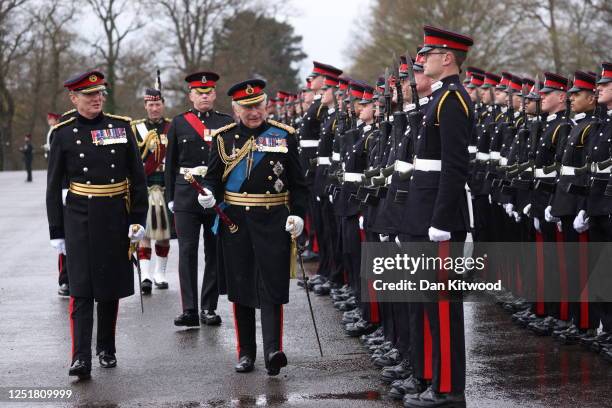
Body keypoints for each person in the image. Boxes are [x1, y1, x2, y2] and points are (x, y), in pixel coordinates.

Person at [199, 79, 308, 376]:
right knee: (241, 286)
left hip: (274, 219)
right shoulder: (223, 138)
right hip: (237, 222)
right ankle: (246, 352)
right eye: (247, 108)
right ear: (235, 109)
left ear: (266, 105)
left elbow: (299, 183)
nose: (253, 112)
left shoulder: (284, 136)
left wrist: (298, 214)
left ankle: (273, 349)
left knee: (272, 286)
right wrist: (208, 196)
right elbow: (212, 179)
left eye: (257, 106)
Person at [46, 70, 148, 380]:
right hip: (79, 215)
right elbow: (52, 187)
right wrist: (57, 232)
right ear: (74, 98)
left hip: (115, 214)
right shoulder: (63, 134)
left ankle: (106, 347)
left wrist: (138, 220)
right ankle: (80, 357)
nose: (96, 99)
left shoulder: (120, 127)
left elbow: (138, 179)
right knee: (81, 288)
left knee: (109, 286)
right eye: (89, 96)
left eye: (99, 94)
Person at [402, 25, 474, 408]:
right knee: (430, 303)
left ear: (448, 58)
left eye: (429, 53)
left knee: (443, 305)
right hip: (424, 213)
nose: (423, 59)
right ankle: (434, 378)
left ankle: (448, 389)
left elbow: (455, 167)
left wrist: (443, 220)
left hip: (439, 219)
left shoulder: (453, 101)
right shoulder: (438, 100)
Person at [164, 71, 234, 327]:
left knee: (214, 251)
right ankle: (189, 309)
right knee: (187, 251)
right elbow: (170, 164)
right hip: (186, 195)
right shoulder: (179, 123)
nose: (204, 96)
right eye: (199, 93)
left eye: (208, 92)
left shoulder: (226, 123)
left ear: (214, 94)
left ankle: (209, 307)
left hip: (215, 195)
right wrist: (170, 197)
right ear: (191, 95)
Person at [131, 88, 172, 293]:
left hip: (166, 185)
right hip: (145, 186)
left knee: (164, 232)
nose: (154, 108)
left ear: (162, 105)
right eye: (151, 105)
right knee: (144, 231)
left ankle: (160, 273)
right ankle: (145, 275)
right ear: (145, 106)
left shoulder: (172, 128)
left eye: (158, 104)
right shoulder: (136, 128)